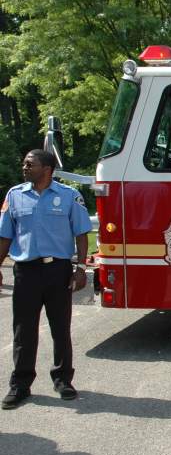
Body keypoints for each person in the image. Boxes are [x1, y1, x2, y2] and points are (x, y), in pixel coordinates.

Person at [0, 149, 92, 410]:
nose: (25, 167)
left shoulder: (69, 196)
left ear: (47, 169)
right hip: (26, 272)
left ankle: (63, 380)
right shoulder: (14, 195)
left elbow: (82, 233)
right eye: (25, 164)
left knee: (60, 328)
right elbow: (5, 236)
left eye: (30, 164)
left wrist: (81, 268)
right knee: (23, 330)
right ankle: (20, 384)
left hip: (57, 271)